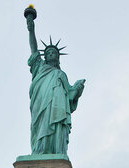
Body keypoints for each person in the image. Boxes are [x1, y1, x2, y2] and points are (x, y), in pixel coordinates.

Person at [25, 8, 85, 155]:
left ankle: (56, 152)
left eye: (54, 53)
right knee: (40, 127)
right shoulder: (39, 67)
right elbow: (33, 49)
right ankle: (40, 151)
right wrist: (31, 29)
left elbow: (69, 97)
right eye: (48, 52)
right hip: (41, 103)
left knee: (57, 125)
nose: (51, 54)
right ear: (44, 56)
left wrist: (77, 89)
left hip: (57, 107)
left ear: (58, 57)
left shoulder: (61, 74)